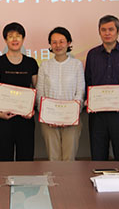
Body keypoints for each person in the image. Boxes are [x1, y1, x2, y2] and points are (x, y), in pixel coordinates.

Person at [84, 15, 119, 160]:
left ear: (118, 31)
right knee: (98, 155)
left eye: (111, 29)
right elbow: (88, 79)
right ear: (99, 32)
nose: (107, 33)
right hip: (98, 114)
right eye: (103, 30)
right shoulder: (92, 54)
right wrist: (88, 98)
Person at [0, 22, 39, 161]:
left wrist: (31, 110)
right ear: (5, 40)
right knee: (4, 158)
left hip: (25, 119)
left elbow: (36, 89)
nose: (14, 39)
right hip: (3, 118)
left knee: (26, 158)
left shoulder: (31, 63)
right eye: (10, 36)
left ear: (23, 39)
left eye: (18, 36)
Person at [36, 27, 85, 161]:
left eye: (61, 41)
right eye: (54, 42)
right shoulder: (44, 66)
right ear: (50, 45)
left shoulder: (77, 65)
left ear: (68, 43)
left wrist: (71, 116)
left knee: (69, 159)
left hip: (72, 121)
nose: (58, 45)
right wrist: (47, 116)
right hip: (49, 121)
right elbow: (40, 93)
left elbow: (80, 92)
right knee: (53, 159)